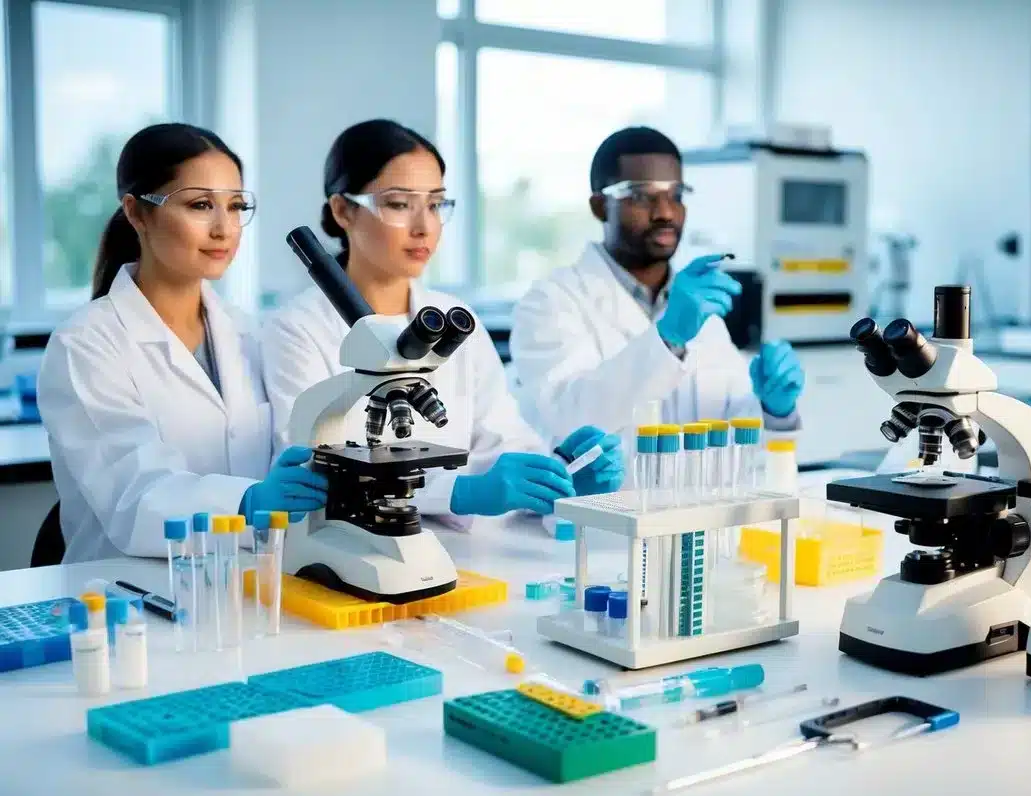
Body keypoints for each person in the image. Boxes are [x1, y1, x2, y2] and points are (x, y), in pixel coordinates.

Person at [261, 119, 622, 525]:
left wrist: (560, 471)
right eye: (399, 204)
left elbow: (502, 439)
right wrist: (460, 492)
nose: (424, 227)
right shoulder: (297, 328)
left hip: (469, 551)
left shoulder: (453, 317)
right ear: (343, 210)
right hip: (347, 539)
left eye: (434, 204)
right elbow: (308, 470)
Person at [38, 123, 329, 564]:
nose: (224, 228)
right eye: (200, 205)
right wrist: (246, 502)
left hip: (243, 581)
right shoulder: (85, 345)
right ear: (137, 213)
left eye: (235, 207)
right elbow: (134, 496)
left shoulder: (248, 332)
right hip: (126, 587)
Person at [509, 126, 807, 448]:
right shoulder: (550, 303)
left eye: (675, 196)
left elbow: (729, 427)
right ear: (600, 206)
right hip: (610, 485)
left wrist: (775, 410)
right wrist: (667, 340)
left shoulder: (698, 309)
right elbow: (571, 419)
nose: (665, 212)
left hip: (698, 483)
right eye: (640, 195)